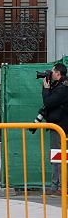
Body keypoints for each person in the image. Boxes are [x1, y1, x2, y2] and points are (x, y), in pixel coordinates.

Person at [42, 62, 68, 195]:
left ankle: (57, 186)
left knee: (58, 157)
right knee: (57, 156)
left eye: (52, 72)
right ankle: (58, 186)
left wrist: (45, 88)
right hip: (58, 126)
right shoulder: (59, 86)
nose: (50, 74)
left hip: (60, 127)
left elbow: (48, 102)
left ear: (58, 73)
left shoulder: (62, 88)